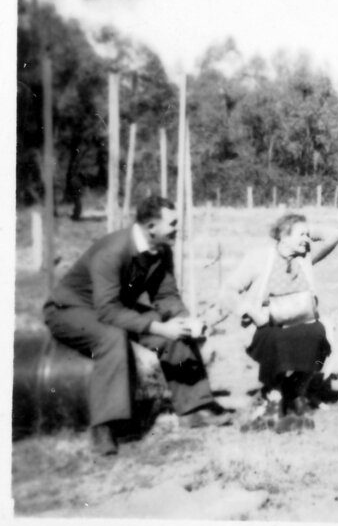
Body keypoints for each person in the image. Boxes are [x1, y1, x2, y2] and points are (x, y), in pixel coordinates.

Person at [43, 196, 231, 457]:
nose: (179, 228)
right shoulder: (112, 251)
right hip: (71, 310)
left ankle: (195, 409)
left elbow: (166, 296)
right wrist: (157, 328)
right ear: (151, 226)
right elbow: (108, 311)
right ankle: (104, 427)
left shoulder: (162, 249)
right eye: (173, 223)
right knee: (111, 337)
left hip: (114, 307)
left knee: (174, 327)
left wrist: (185, 322)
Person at [226, 214, 338, 431]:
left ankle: (296, 393)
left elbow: (334, 235)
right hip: (270, 324)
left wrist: (304, 230)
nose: (307, 239)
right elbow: (229, 289)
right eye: (301, 235)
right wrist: (249, 309)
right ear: (283, 237)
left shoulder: (305, 256)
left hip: (302, 320)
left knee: (317, 333)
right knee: (276, 339)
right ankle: (274, 395)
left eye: (308, 235)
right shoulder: (260, 258)